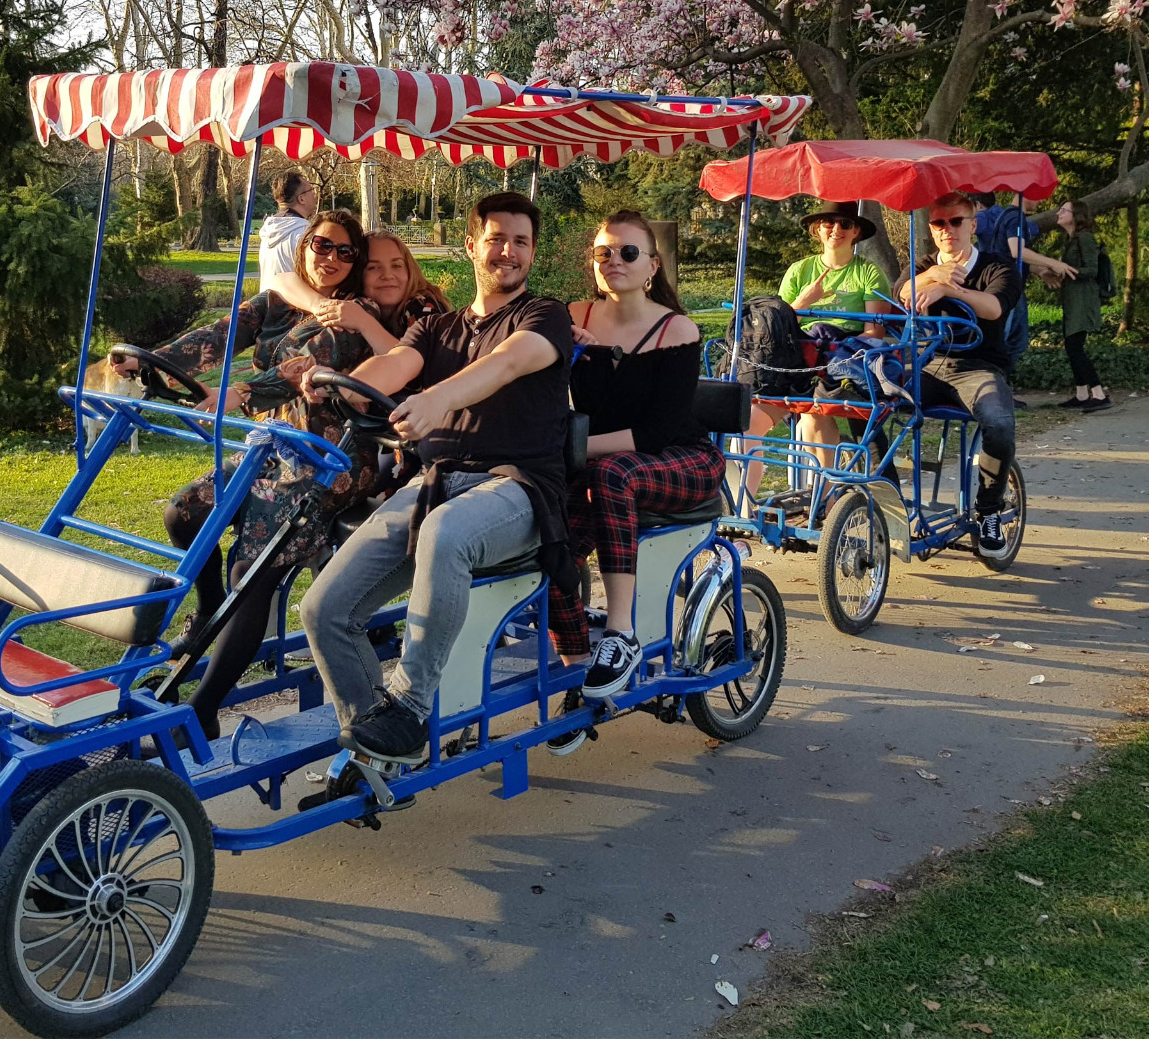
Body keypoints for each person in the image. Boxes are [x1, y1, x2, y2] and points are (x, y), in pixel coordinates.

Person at [299, 192, 574, 766]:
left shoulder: (543, 315)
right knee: (323, 611)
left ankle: (411, 705)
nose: (508, 252)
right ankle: (377, 744)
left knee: (445, 532)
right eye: (496, 239)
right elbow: (393, 365)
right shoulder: (435, 327)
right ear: (471, 245)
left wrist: (433, 401)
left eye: (520, 241)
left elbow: (504, 365)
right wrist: (343, 381)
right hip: (434, 485)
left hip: (518, 489)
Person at [120, 210, 380, 740]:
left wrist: (239, 393)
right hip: (270, 451)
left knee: (253, 571)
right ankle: (209, 602)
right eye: (322, 246)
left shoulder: (352, 315)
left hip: (328, 460)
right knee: (184, 513)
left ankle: (204, 708)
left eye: (345, 252)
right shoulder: (279, 303)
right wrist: (152, 362)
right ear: (305, 247)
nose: (330, 258)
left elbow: (304, 367)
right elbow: (221, 331)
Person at [549, 210, 719, 718]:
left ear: (652, 264)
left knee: (611, 471)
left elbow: (656, 433)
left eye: (627, 252)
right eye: (604, 253)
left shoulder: (677, 329)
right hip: (605, 461)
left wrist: (576, 449)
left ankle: (621, 634)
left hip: (682, 460)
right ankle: (581, 672)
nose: (614, 261)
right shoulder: (572, 317)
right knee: (547, 536)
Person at [896, 192, 1022, 560]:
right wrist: (933, 275)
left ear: (973, 225)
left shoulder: (997, 266)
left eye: (955, 222)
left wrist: (950, 289)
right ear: (932, 230)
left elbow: (994, 307)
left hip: (978, 367)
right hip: (927, 365)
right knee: (862, 395)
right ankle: (887, 497)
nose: (947, 229)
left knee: (999, 424)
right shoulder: (923, 264)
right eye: (939, 223)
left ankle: (988, 511)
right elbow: (900, 292)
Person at [734, 201, 890, 498]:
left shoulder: (869, 273)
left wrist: (837, 356)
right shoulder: (800, 270)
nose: (836, 229)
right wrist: (805, 300)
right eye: (829, 223)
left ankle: (827, 495)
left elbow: (873, 334)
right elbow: (775, 329)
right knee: (746, 422)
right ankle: (744, 507)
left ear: (856, 231)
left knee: (813, 412)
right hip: (793, 363)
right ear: (817, 229)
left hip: (837, 362)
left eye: (845, 224)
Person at [269, 229, 449, 357]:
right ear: (358, 275)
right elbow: (281, 280)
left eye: (397, 265)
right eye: (373, 267)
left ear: (409, 270)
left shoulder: (423, 306)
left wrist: (364, 322)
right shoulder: (358, 304)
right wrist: (321, 305)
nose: (387, 275)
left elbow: (415, 367)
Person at [972, 191, 1075, 380]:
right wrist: (1053, 263)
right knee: (1009, 339)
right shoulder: (1014, 218)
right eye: (1038, 193)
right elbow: (1016, 250)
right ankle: (999, 386)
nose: (1041, 198)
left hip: (1006, 285)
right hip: (1008, 288)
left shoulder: (1008, 216)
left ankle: (1002, 386)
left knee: (1012, 339)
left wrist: (1040, 270)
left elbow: (1007, 254)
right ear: (1026, 193)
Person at [1049, 199, 1110, 411]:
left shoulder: (1085, 238)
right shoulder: (1072, 239)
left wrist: (1066, 269)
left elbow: (1092, 270)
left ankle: (1099, 393)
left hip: (1083, 301)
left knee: (1075, 347)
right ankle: (1082, 393)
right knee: (1071, 346)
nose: (1059, 213)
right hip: (1073, 299)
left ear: (1076, 216)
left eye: (1064, 210)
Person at [257, 170, 319, 292]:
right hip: (295, 307)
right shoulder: (305, 234)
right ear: (301, 199)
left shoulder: (268, 232)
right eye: (311, 190)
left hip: (266, 306)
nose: (315, 194)